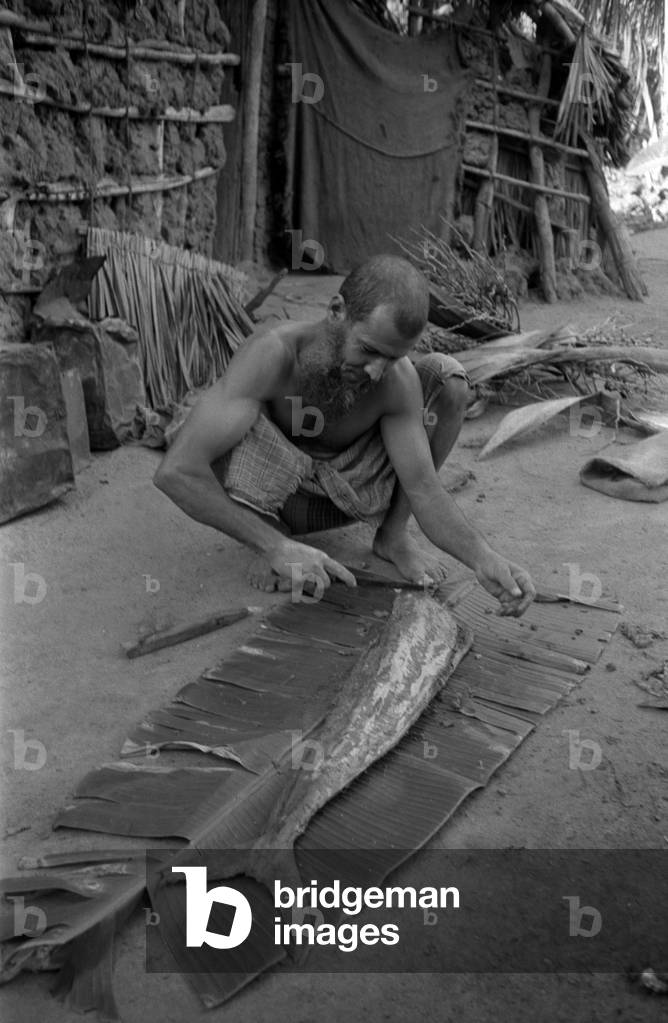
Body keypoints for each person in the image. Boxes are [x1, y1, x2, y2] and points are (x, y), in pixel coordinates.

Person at [154, 254, 535, 616]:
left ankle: (392, 536)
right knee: (226, 424)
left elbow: (424, 489)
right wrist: (275, 546)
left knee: (447, 377)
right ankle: (272, 538)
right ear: (336, 311)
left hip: (347, 497)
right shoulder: (273, 354)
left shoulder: (396, 380)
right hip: (269, 497)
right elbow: (178, 472)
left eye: (392, 357)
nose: (375, 371)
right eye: (368, 350)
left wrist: (485, 558)